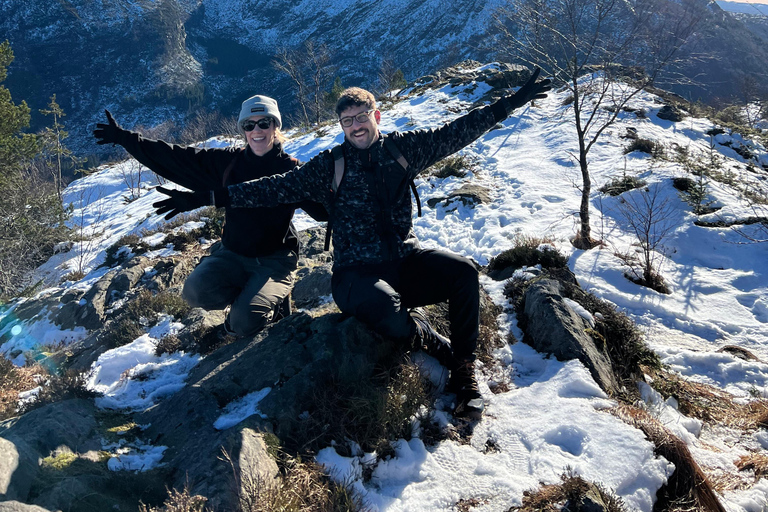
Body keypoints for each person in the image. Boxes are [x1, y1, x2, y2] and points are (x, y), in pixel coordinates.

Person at [153, 69, 552, 419]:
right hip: (353, 274)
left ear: (376, 116)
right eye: (348, 121)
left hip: (403, 258)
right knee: (385, 308)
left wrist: (510, 103)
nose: (356, 126)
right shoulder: (330, 165)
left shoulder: (402, 149)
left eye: (362, 117)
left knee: (463, 271)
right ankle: (424, 335)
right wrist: (207, 198)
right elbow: (273, 188)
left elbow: (456, 133)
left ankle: (463, 371)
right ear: (341, 126)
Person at [93, 95, 327, 338]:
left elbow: (322, 211)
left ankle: (260, 307)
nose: (257, 130)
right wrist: (126, 139)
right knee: (194, 292)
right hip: (232, 253)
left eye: (264, 123)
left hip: (274, 260)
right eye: (249, 125)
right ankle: (252, 296)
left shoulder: (292, 170)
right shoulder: (227, 163)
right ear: (243, 131)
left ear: (275, 127)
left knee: (244, 322)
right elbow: (176, 157)